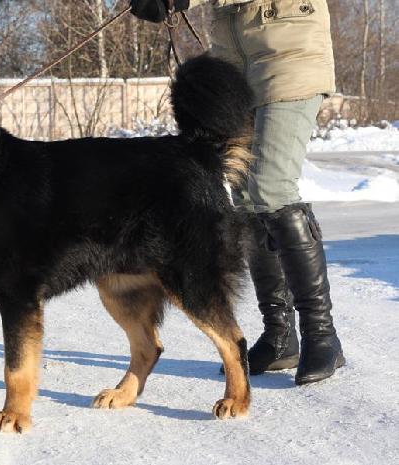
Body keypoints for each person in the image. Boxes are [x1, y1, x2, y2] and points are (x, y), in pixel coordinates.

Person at [130, 0, 344, 385]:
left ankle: (322, 335)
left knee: (271, 187)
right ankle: (279, 334)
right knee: (244, 198)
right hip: (235, 63)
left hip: (289, 55)